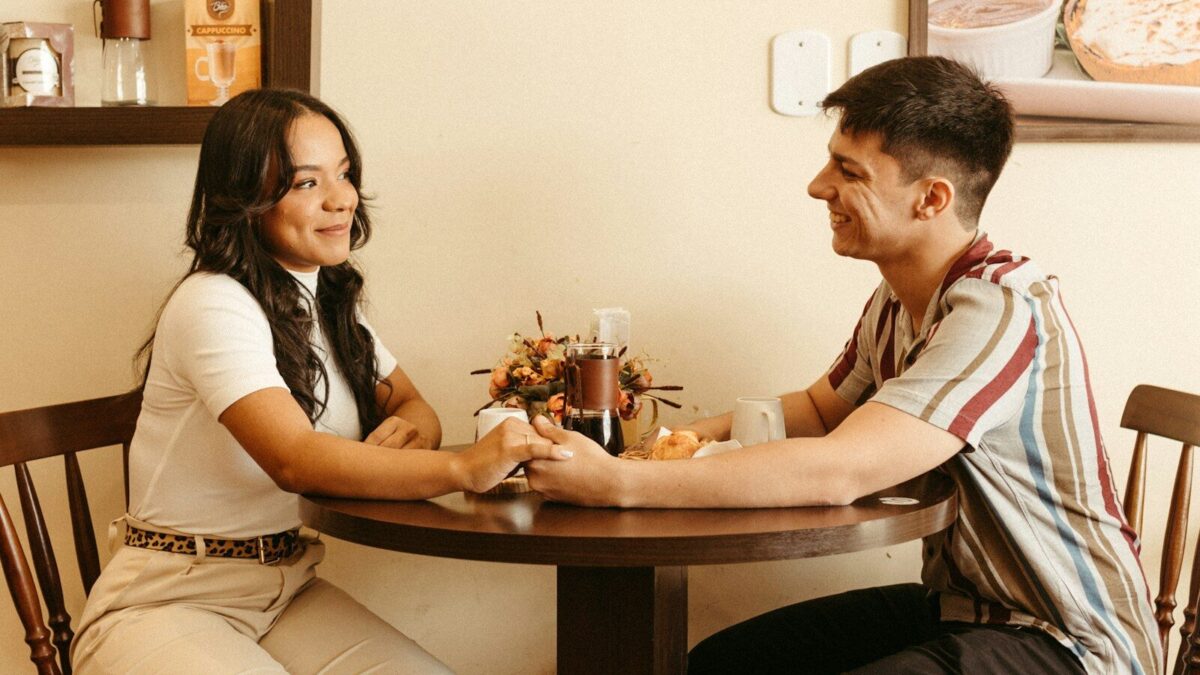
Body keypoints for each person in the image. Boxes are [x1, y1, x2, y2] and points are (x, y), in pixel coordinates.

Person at [525, 56, 1160, 674]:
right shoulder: (898, 298)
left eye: (847, 170)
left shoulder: (997, 310)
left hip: (1070, 641)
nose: (817, 185)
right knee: (716, 666)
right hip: (961, 609)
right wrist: (648, 452)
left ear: (931, 198)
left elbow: (838, 470)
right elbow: (816, 412)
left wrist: (615, 486)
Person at [71, 89, 568, 674]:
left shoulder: (327, 300)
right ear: (245, 198)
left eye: (344, 174)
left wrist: (413, 431)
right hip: (169, 600)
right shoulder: (214, 304)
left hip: (286, 589)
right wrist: (461, 468)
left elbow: (411, 404)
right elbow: (295, 459)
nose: (341, 200)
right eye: (307, 183)